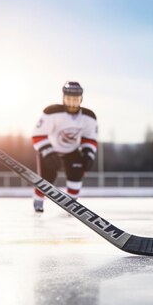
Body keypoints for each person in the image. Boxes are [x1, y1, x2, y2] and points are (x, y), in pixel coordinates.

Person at [31, 81, 98, 213]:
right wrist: (47, 152)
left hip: (71, 150)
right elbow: (37, 135)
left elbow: (89, 138)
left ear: (81, 99)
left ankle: (72, 204)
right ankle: (38, 201)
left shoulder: (89, 117)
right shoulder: (51, 112)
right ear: (63, 98)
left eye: (75, 100)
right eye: (69, 99)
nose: (72, 103)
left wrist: (88, 154)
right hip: (50, 149)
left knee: (76, 174)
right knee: (47, 178)